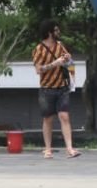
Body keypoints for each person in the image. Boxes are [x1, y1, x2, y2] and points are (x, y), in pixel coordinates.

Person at [32, 19, 80, 159]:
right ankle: (48, 149)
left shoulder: (60, 46)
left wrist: (68, 60)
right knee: (48, 118)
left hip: (62, 87)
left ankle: (70, 149)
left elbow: (69, 63)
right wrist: (54, 63)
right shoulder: (38, 49)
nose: (59, 32)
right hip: (47, 89)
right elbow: (38, 70)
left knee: (64, 116)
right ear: (49, 32)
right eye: (56, 30)